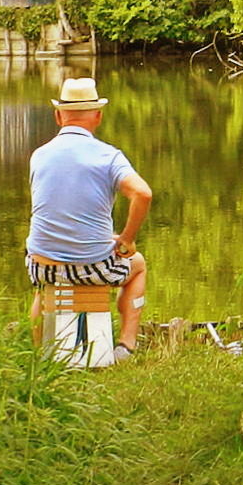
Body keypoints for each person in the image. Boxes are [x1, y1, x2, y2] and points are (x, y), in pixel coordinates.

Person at [26, 77, 152, 362]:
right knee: (139, 265)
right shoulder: (109, 157)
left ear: (58, 116)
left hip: (43, 268)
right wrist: (126, 240)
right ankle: (126, 345)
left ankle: (37, 350)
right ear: (98, 117)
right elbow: (143, 194)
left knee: (43, 281)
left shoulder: (39, 155)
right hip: (92, 268)